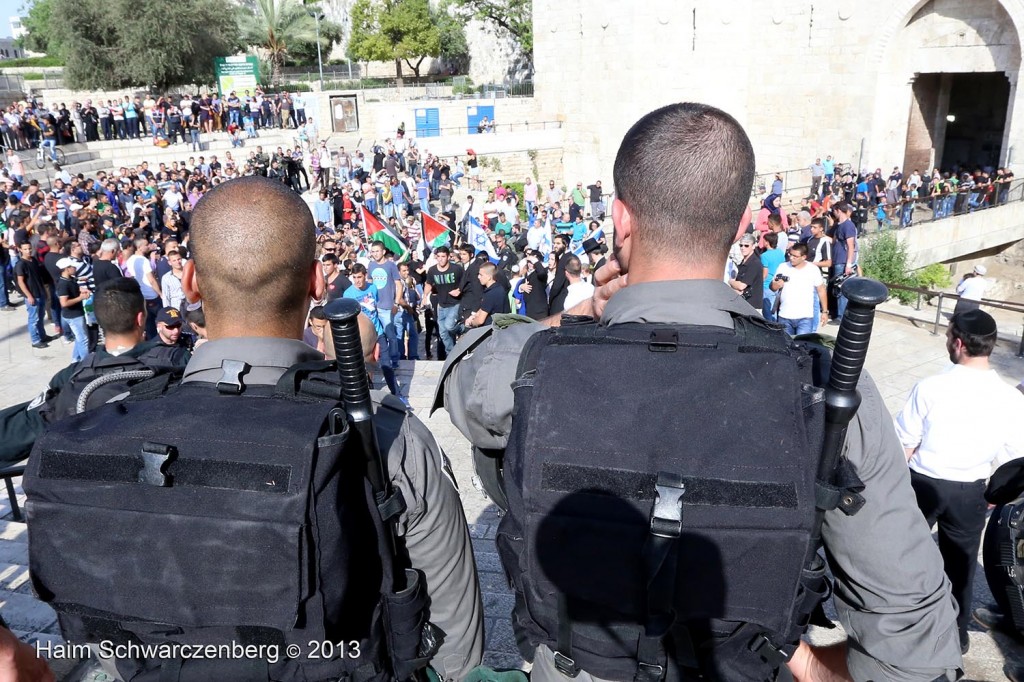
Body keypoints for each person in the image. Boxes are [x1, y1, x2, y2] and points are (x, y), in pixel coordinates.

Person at [438, 103, 961, 681]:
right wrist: (803, 664)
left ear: (621, 220)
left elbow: (470, 382)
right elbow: (913, 650)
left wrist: (580, 312)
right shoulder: (821, 388)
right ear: (741, 227)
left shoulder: (532, 365)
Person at [896, 309, 1024, 655]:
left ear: (957, 342)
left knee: (906, 555)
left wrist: (894, 489)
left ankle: (902, 625)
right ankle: (956, 634)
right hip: (972, 490)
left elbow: (905, 442)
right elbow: (1015, 457)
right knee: (961, 566)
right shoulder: (1012, 399)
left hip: (923, 483)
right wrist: (995, 495)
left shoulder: (931, 387)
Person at [0, 278, 189, 465]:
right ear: (141, 318)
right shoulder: (178, 360)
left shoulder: (73, 375)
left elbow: (23, 427)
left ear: (99, 321)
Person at [768, 243, 827, 336]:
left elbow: (821, 290)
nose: (791, 258)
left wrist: (824, 311)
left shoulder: (813, 269)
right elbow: (772, 287)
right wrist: (776, 285)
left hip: (805, 317)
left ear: (804, 257)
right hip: (784, 316)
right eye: (790, 254)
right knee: (786, 346)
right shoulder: (783, 267)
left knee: (802, 346)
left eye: (795, 256)